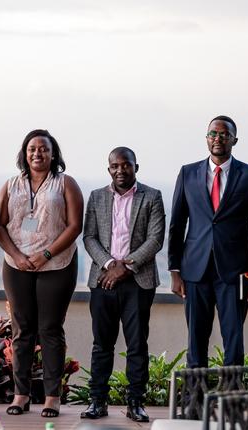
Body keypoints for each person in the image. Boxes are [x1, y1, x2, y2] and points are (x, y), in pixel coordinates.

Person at [0, 129, 82, 418]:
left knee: (50, 329)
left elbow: (74, 226)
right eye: (32, 149)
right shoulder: (10, 184)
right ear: (24, 153)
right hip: (17, 265)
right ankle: (21, 395)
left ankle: (52, 396)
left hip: (56, 265)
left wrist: (45, 255)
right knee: (22, 330)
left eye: (43, 149)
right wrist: (18, 256)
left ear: (53, 153)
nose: (37, 154)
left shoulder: (65, 183)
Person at [168, 115, 248, 368]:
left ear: (234, 139)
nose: (218, 138)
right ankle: (195, 403)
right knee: (196, 340)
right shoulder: (187, 173)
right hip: (194, 270)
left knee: (234, 341)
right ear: (206, 138)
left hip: (239, 273)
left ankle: (230, 403)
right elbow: (177, 225)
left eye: (224, 134)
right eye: (213, 133)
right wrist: (175, 271)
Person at [80, 147, 164, 422]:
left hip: (138, 281)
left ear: (135, 167)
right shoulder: (96, 197)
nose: (120, 170)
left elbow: (155, 239)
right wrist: (109, 265)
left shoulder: (152, 196)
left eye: (125, 165)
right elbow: (89, 237)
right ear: (109, 170)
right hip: (103, 280)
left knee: (137, 343)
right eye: (115, 166)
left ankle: (136, 403)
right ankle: (97, 401)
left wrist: (125, 266)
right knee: (101, 343)